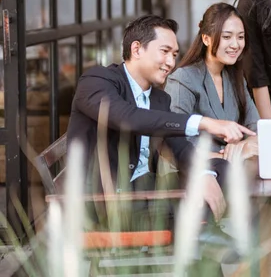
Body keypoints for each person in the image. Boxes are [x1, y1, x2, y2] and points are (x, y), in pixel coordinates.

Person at [66, 15, 255, 268]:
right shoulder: (97, 81)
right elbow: (127, 118)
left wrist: (204, 174)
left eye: (175, 54)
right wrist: (203, 122)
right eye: (165, 51)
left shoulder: (159, 99)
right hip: (107, 203)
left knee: (220, 167)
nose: (171, 62)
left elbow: (179, 147)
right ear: (137, 49)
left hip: (146, 192)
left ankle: (202, 235)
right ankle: (202, 237)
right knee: (197, 210)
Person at [165, 2, 259, 162]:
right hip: (197, 174)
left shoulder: (235, 76)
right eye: (227, 37)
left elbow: (255, 129)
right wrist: (227, 155)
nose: (235, 44)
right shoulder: (183, 78)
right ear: (206, 39)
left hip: (234, 169)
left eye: (241, 37)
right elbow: (175, 140)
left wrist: (244, 147)